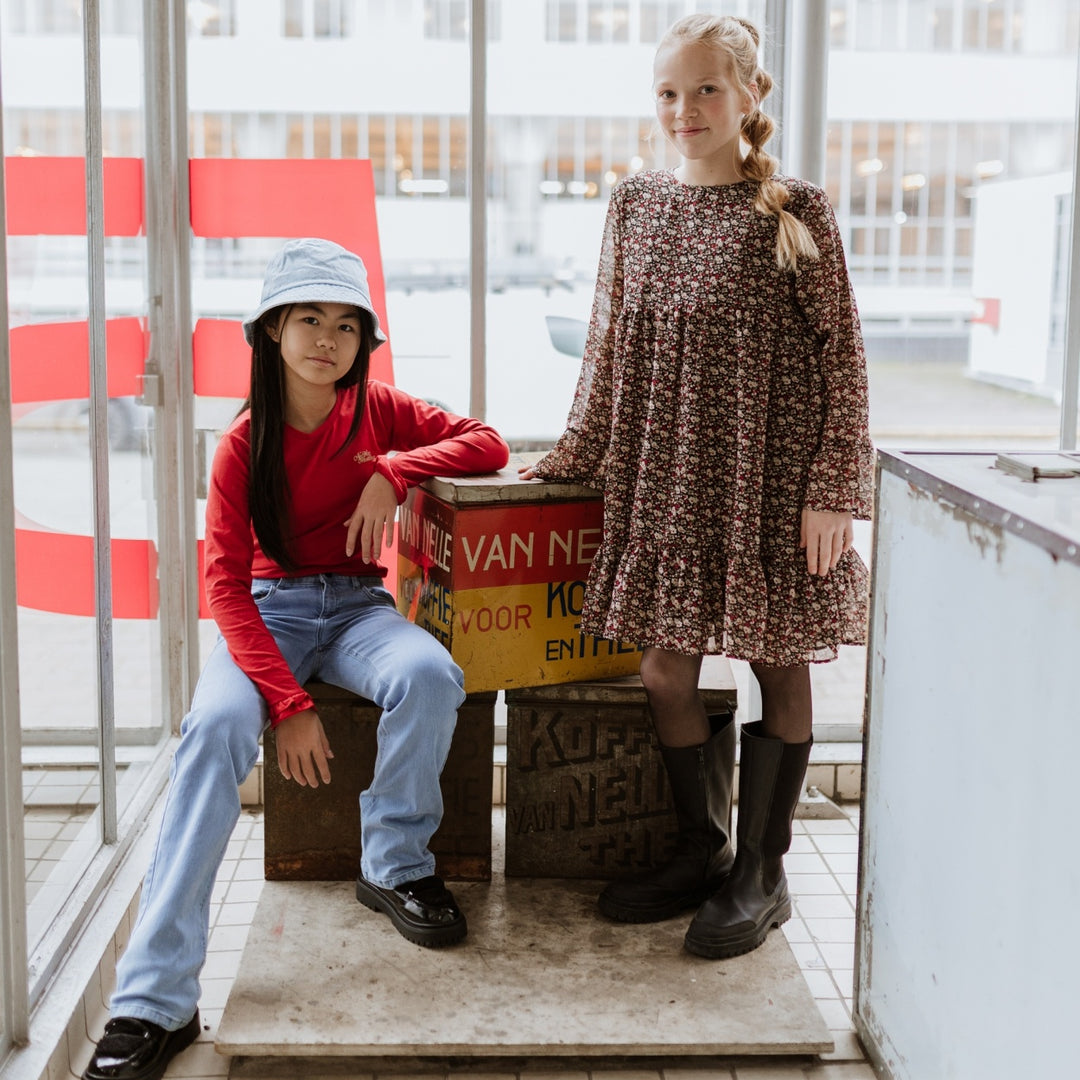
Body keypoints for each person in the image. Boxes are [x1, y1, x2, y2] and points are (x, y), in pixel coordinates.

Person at [83, 238, 509, 1080]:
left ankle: (394, 866)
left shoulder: (380, 412)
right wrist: (287, 703)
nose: (328, 338)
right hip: (268, 616)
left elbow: (487, 442)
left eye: (347, 325)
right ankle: (154, 1000)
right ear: (272, 331)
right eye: (309, 318)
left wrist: (395, 466)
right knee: (210, 731)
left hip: (357, 609)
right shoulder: (242, 446)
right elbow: (225, 590)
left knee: (431, 675)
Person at [520, 13, 873, 960]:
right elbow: (608, 345)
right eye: (670, 94)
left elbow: (842, 357)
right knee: (665, 669)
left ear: (752, 95)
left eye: (707, 90)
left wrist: (834, 486)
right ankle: (702, 848)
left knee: (774, 661)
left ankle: (763, 871)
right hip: (666, 477)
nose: (686, 110)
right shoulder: (635, 205)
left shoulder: (797, 207)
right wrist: (571, 454)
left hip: (770, 478)